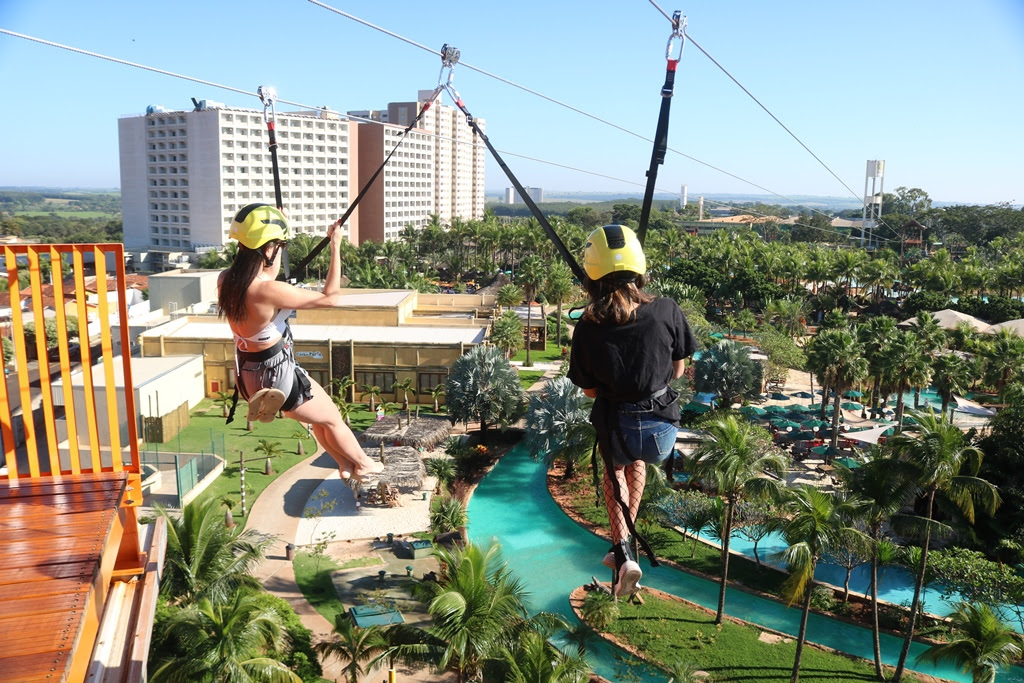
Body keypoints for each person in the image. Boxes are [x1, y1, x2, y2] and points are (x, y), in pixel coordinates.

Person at [567, 225, 698, 597]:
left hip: (618, 428)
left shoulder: (589, 327)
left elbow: (590, 389)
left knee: (617, 473)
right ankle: (621, 548)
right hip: (661, 434)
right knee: (638, 463)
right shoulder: (666, 309)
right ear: (639, 268)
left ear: (593, 276)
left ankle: (623, 549)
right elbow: (677, 370)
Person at [217, 203, 384, 481]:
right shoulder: (267, 290)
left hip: (249, 376)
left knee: (320, 420)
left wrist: (279, 230)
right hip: (278, 375)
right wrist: (336, 246)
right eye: (278, 245)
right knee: (333, 419)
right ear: (269, 248)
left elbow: (263, 272)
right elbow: (330, 298)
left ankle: (344, 463)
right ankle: (364, 464)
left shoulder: (226, 281)